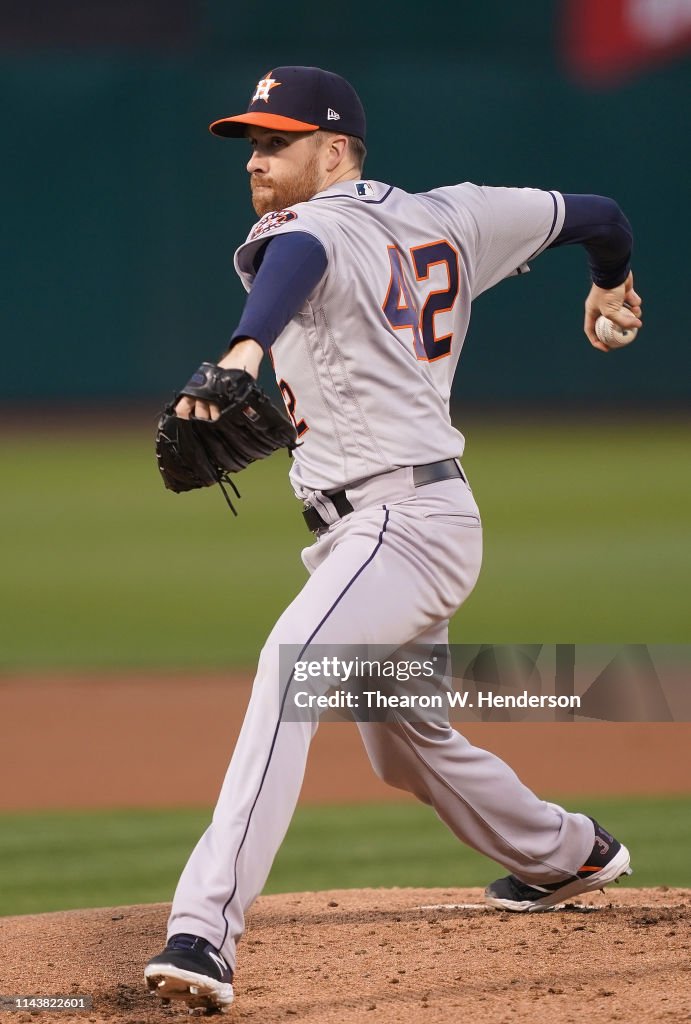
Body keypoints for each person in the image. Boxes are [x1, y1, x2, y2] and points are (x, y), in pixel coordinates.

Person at [144, 66, 641, 1013]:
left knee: (290, 668)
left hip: (397, 527)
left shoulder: (307, 226)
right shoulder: (454, 215)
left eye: (275, 141)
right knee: (402, 742)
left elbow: (299, 262)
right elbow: (600, 211)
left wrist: (247, 348)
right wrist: (611, 285)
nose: (255, 159)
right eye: (251, 142)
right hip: (405, 524)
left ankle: (203, 930)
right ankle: (569, 853)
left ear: (334, 152)